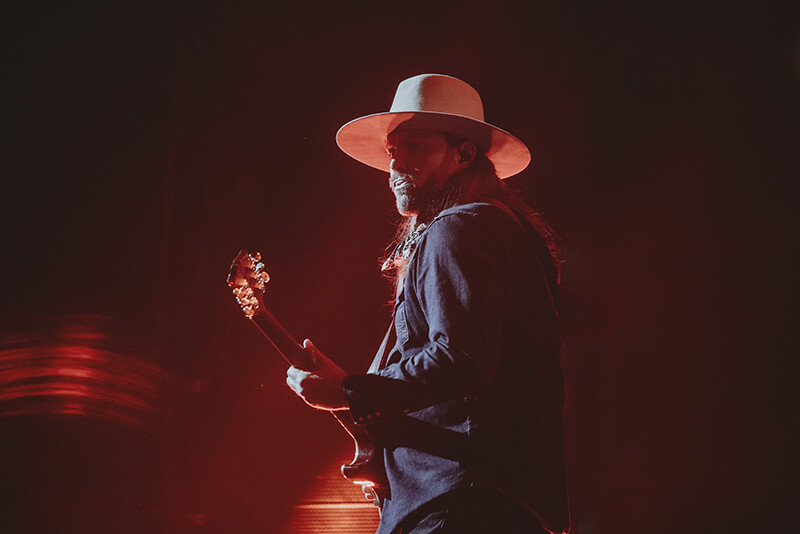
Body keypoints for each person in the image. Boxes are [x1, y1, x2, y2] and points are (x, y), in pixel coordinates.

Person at [286, 74, 570, 534]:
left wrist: (351, 392)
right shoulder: (500, 229)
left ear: (463, 154)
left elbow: (462, 359)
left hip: (459, 501)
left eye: (415, 147)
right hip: (495, 500)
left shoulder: (460, 228)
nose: (396, 165)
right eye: (392, 152)